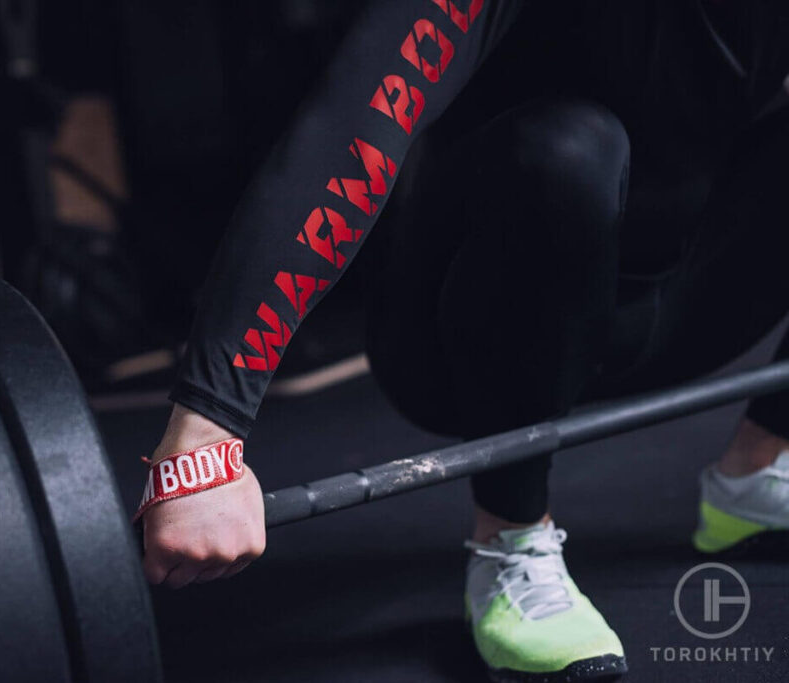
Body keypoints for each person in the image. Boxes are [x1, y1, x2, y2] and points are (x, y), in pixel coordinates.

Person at [135, 1, 789, 680]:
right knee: (570, 150)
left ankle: (759, 461)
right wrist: (206, 431)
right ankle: (510, 537)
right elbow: (351, 132)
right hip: (464, 337)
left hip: (663, 309)